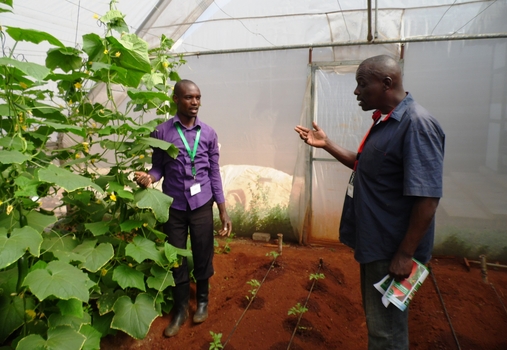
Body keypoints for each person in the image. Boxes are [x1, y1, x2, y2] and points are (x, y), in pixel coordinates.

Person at [294, 55, 445, 349]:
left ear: (386, 84)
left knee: (385, 332)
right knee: (380, 324)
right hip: (376, 243)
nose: (356, 92)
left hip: (392, 250)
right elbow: (362, 164)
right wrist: (326, 144)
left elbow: (427, 198)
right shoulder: (386, 123)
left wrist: (404, 254)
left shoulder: (417, 125)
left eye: (362, 84)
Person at [134, 79, 232, 337]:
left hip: (201, 205)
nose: (195, 102)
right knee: (175, 257)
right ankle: (180, 310)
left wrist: (222, 209)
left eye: (198, 97)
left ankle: (202, 302)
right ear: (176, 99)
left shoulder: (209, 133)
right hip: (173, 206)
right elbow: (157, 168)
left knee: (202, 252)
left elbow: (214, 172)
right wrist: (149, 178)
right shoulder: (161, 132)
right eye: (189, 97)